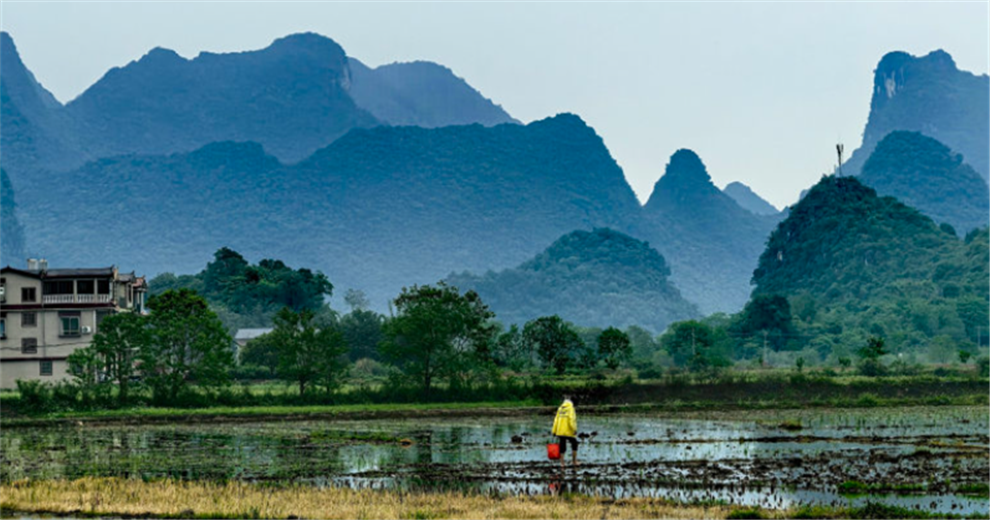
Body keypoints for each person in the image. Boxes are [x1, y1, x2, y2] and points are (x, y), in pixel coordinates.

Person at [551, 395, 578, 468]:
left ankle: (562, 463)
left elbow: (556, 420)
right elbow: (571, 420)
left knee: (562, 446)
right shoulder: (570, 408)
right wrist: (574, 429)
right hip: (568, 430)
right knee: (574, 444)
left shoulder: (560, 408)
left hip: (560, 430)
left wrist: (554, 430)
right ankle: (574, 461)